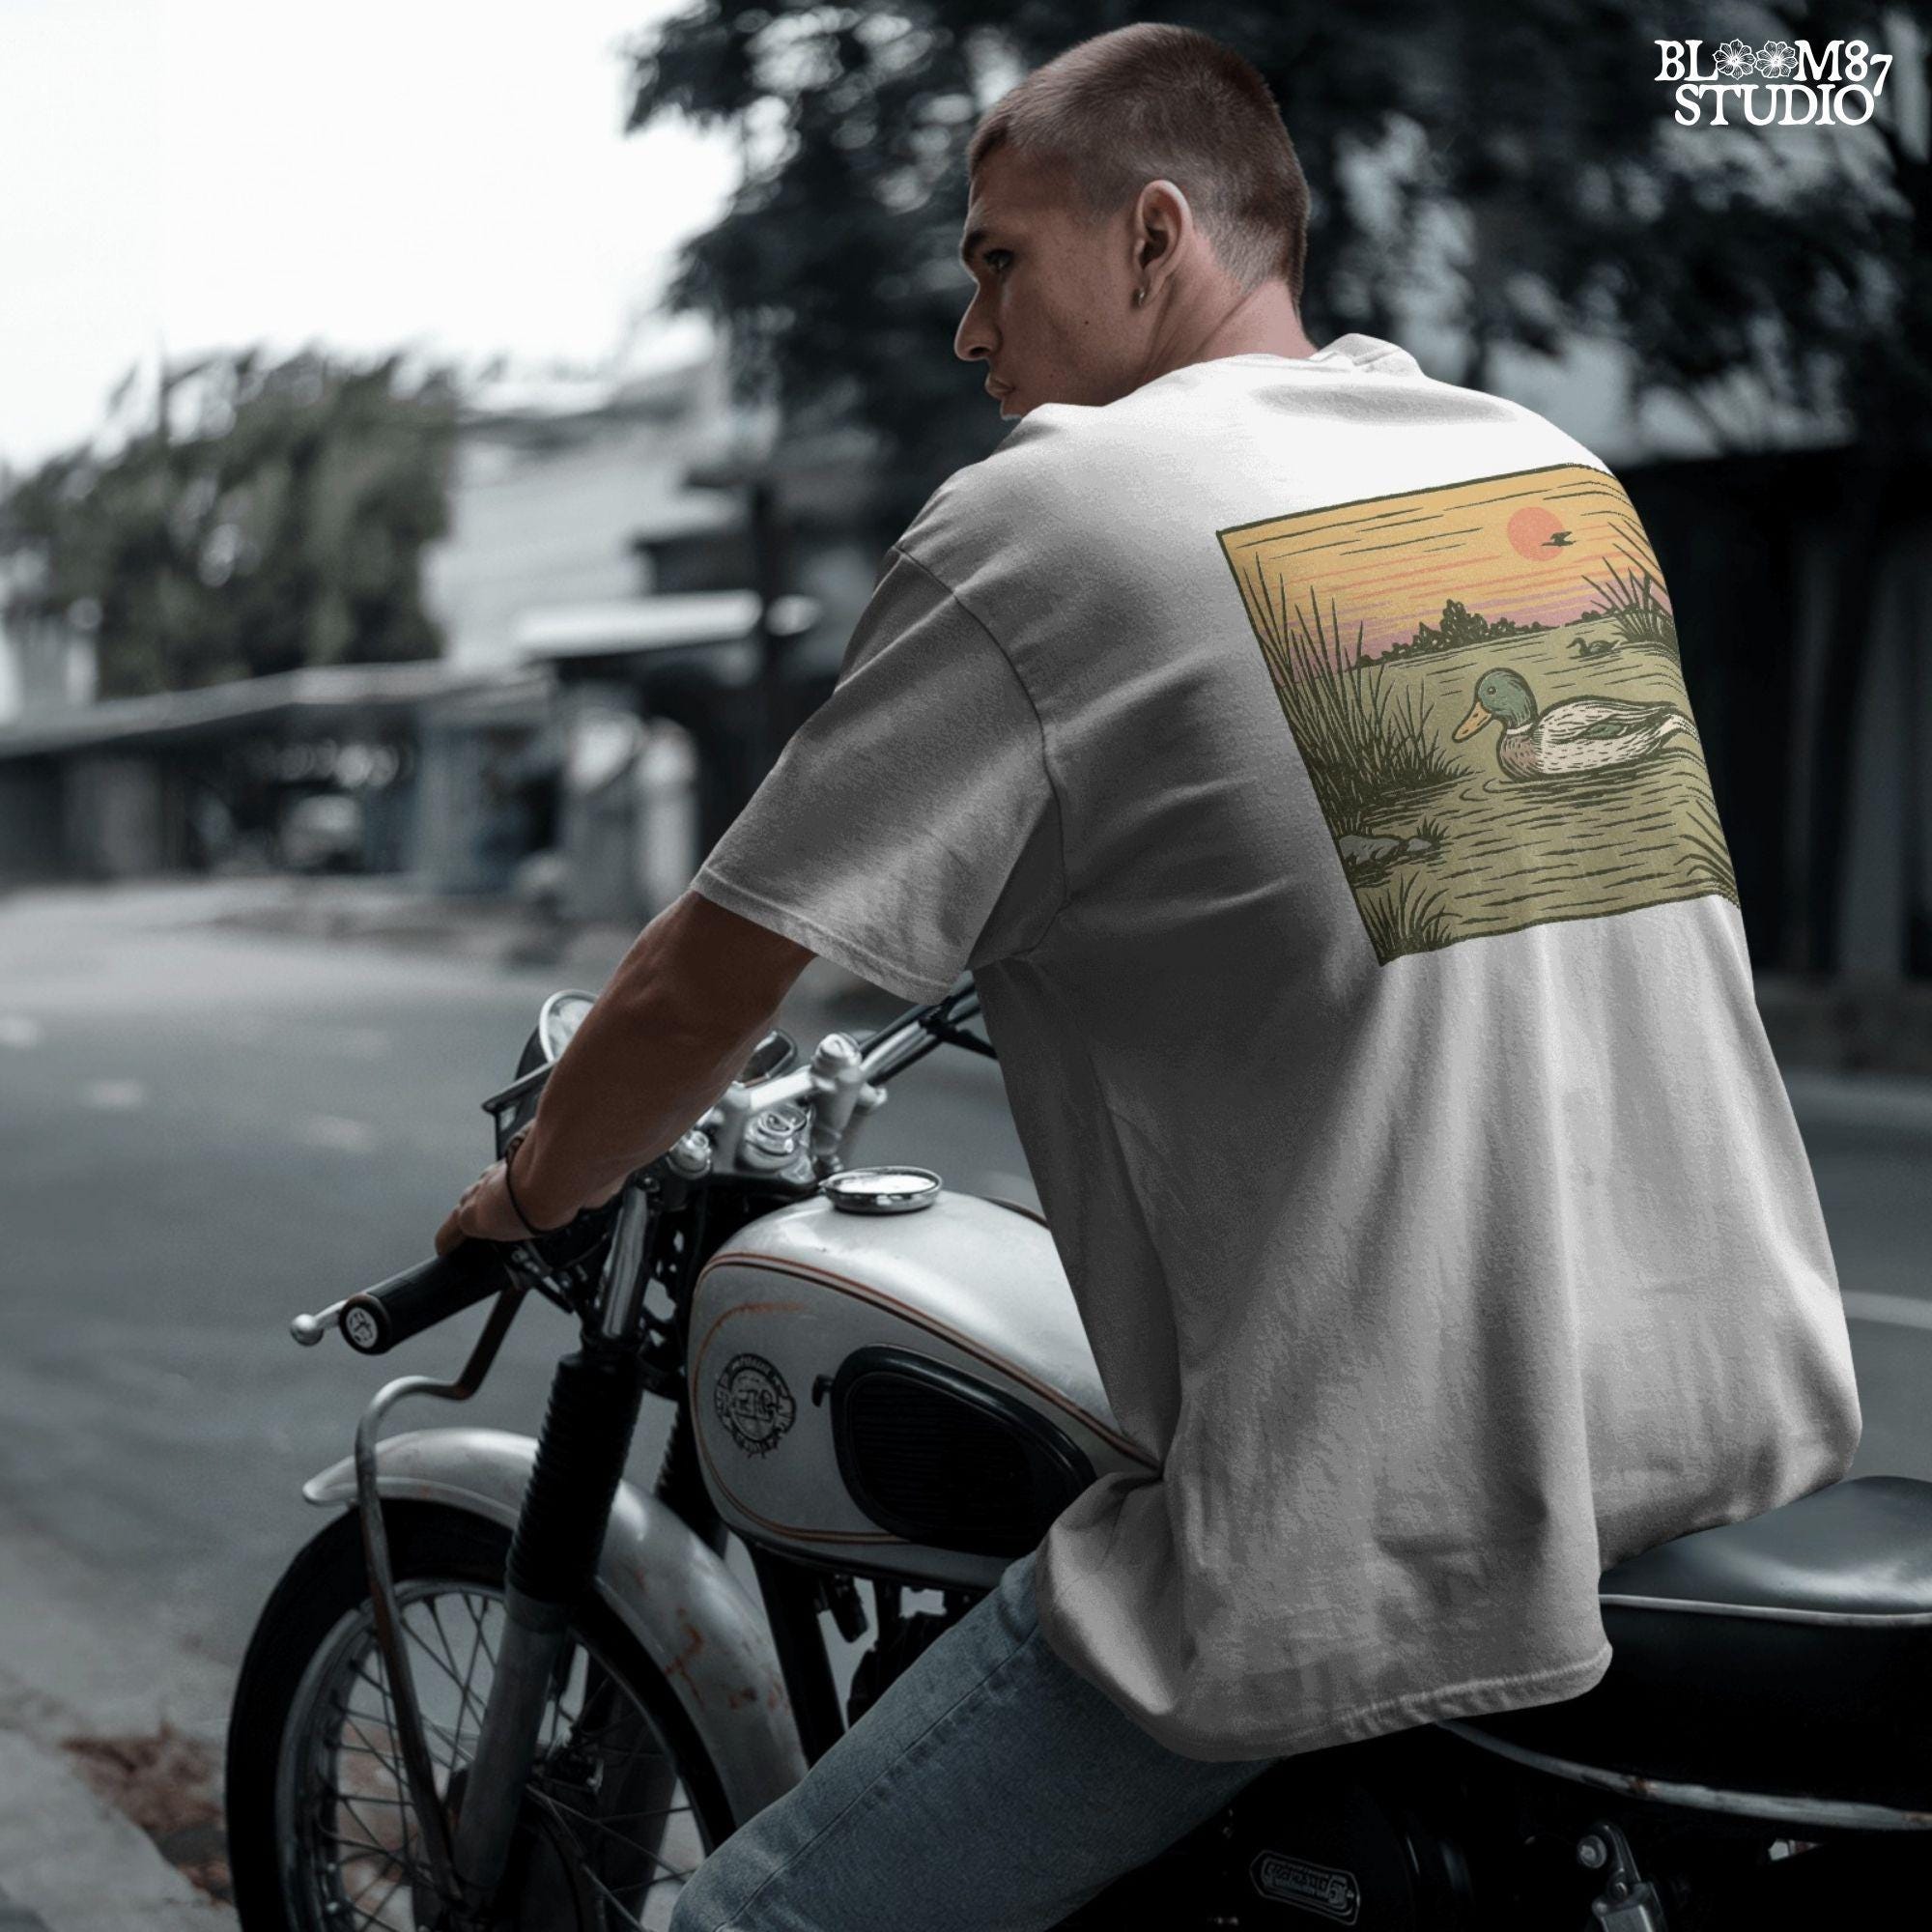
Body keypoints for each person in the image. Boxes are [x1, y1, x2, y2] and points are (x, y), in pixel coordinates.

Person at [437, 22, 1863, 1931]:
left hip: (1380, 1524)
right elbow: (1415, 903)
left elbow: (709, 981)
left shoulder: (1055, 517)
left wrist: (535, 1188)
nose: (971, 332)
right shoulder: (1535, 473)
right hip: (1719, 1424)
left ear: (1156, 234)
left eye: (996, 261)